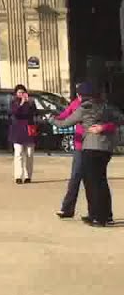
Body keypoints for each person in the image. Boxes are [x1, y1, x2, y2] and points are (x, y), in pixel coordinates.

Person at [54, 88, 123, 227]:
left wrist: (51, 119)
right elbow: (121, 119)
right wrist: (105, 127)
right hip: (106, 148)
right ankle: (105, 215)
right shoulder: (107, 107)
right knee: (101, 181)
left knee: (92, 183)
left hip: (90, 147)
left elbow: (64, 123)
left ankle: (98, 217)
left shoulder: (84, 108)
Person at [9, 84, 37, 184]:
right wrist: (21, 103)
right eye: (19, 93)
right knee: (18, 154)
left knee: (29, 154)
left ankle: (28, 176)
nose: (21, 94)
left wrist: (28, 103)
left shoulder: (30, 102)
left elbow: (34, 112)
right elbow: (15, 113)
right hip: (17, 131)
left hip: (29, 130)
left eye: (23, 92)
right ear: (16, 94)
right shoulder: (14, 103)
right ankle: (18, 176)